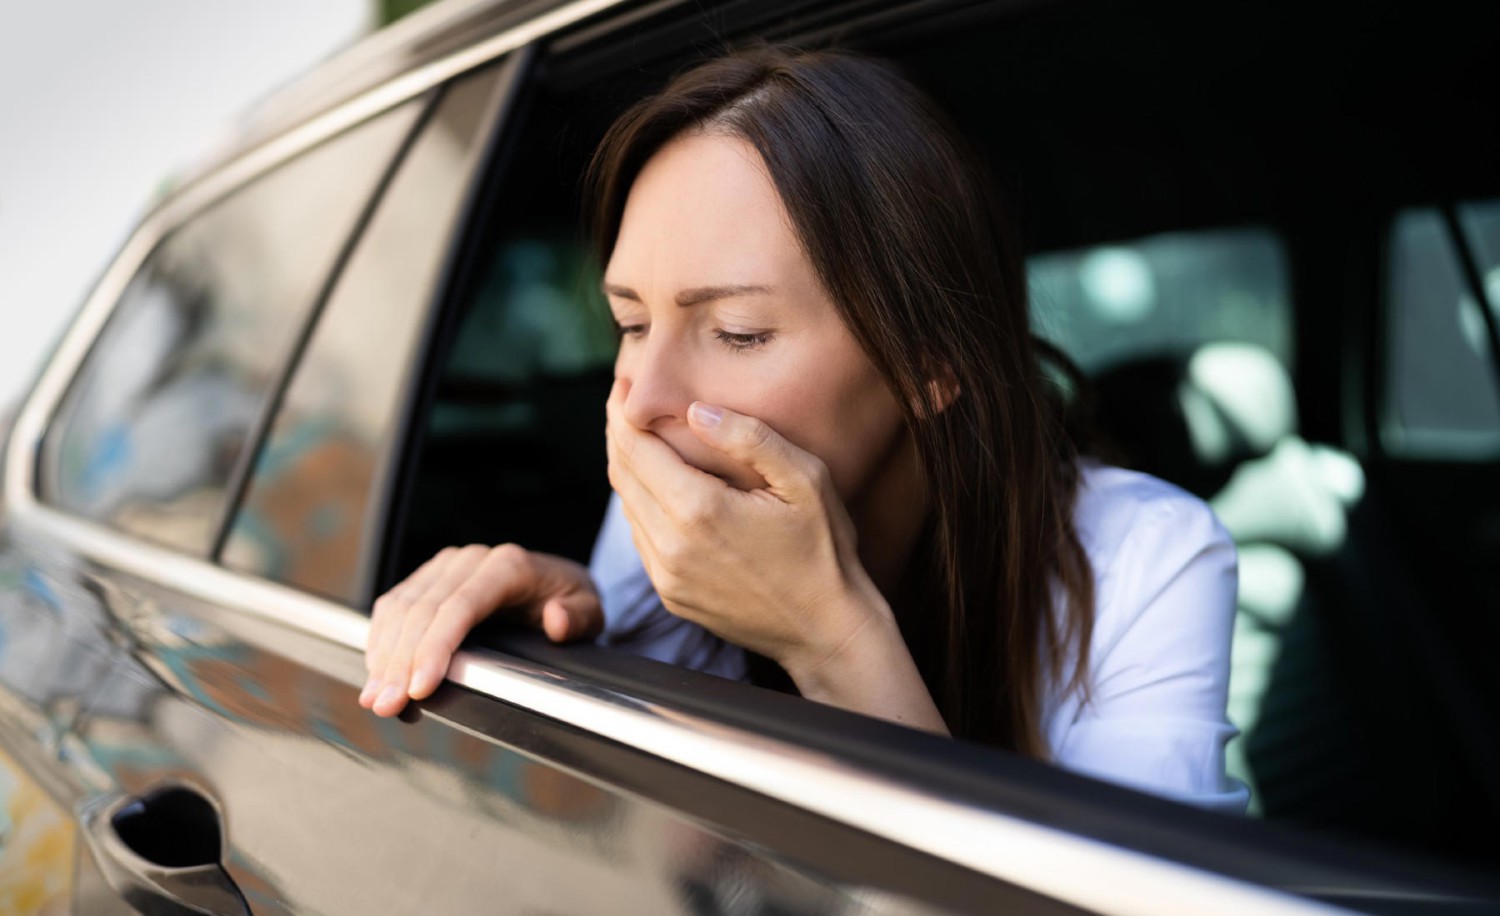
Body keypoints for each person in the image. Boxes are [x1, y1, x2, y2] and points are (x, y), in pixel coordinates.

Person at [359, 46, 1248, 813]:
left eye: (736, 332)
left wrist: (833, 639)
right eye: (631, 325)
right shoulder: (678, 489)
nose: (638, 402)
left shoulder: (1146, 561)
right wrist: (579, 626)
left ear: (928, 359)